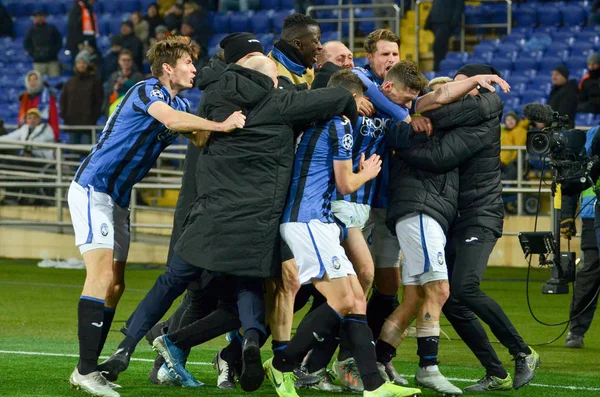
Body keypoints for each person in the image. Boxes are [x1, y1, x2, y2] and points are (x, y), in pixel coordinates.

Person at [96, 54, 359, 388]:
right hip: (254, 222)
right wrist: (352, 116)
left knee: (171, 282)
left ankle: (125, 347)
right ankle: (250, 341)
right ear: (273, 80)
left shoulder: (214, 98)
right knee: (248, 284)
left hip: (207, 216)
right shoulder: (280, 102)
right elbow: (338, 96)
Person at [65, 36, 246, 397]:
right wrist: (221, 125)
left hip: (117, 198)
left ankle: (93, 364)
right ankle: (85, 371)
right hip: (92, 189)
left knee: (116, 285)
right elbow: (172, 120)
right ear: (168, 67)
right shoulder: (148, 91)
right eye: (188, 63)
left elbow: (196, 136)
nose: (194, 68)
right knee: (100, 277)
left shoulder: (178, 101)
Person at [264, 68, 422, 397]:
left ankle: (374, 385)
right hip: (309, 222)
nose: (365, 105)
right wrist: (367, 173)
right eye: (363, 99)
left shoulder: (312, 121)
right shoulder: (341, 124)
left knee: (356, 300)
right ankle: (283, 365)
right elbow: (345, 183)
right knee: (345, 299)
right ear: (352, 99)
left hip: (312, 220)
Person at [399, 64, 541, 392]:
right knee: (447, 298)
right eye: (455, 89)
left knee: (465, 288)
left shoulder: (482, 121)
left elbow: (440, 156)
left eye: (463, 88)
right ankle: (496, 372)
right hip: (455, 218)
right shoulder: (468, 117)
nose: (457, 95)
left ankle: (523, 352)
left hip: (480, 215)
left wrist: (401, 131)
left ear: (479, 90)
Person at [379, 73, 509, 396]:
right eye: (448, 98)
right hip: (421, 210)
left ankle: (377, 360)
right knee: (439, 289)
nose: (453, 104)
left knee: (414, 299)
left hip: (424, 213)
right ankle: (429, 368)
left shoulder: (439, 128)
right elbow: (431, 154)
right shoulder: (419, 126)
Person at [560, 124, 600, 349]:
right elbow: (573, 176)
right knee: (590, 273)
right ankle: (576, 330)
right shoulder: (590, 136)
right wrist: (567, 215)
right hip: (593, 214)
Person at [60, 51, 104, 144]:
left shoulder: (95, 81)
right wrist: (65, 117)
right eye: (79, 62)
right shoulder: (70, 82)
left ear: (88, 64)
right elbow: (63, 101)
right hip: (72, 124)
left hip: (88, 125)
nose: (81, 65)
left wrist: (93, 118)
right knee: (73, 153)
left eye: (84, 62)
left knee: (87, 153)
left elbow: (99, 102)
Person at [269, 14, 323, 86]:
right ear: (297, 44)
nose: (320, 47)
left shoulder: (303, 61)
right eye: (316, 42)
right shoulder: (276, 76)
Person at [18, 71, 59, 142]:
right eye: (30, 80)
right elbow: (21, 117)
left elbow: (53, 118)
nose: (32, 82)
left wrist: (55, 136)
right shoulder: (24, 97)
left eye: (35, 79)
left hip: (43, 134)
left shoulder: (48, 97)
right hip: (27, 132)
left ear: (39, 81)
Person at [425, 0, 465, 71]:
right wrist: (428, 20)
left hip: (446, 22)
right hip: (435, 21)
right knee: (439, 47)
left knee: (438, 46)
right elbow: (434, 5)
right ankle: (438, 68)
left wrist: (454, 21)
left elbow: (460, 6)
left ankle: (438, 69)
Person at [103, 50, 144, 116]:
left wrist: (128, 83)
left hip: (132, 111)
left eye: (128, 60)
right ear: (119, 61)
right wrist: (115, 88)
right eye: (123, 60)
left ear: (132, 62)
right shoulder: (113, 76)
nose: (126, 62)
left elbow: (141, 93)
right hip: (114, 109)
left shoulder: (138, 76)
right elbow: (108, 94)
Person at [24, 10, 62, 78]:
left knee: (56, 80)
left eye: (41, 16)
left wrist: (53, 52)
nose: (39, 18)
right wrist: (34, 53)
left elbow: (59, 42)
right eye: (37, 17)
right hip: (38, 62)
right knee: (39, 82)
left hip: (52, 61)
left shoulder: (52, 28)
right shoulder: (31, 30)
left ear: (44, 17)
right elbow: (26, 44)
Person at [500, 111, 528, 180]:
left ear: (516, 120)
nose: (510, 121)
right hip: (503, 162)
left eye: (512, 119)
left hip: (512, 163)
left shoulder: (519, 131)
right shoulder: (506, 132)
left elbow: (517, 150)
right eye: (507, 119)